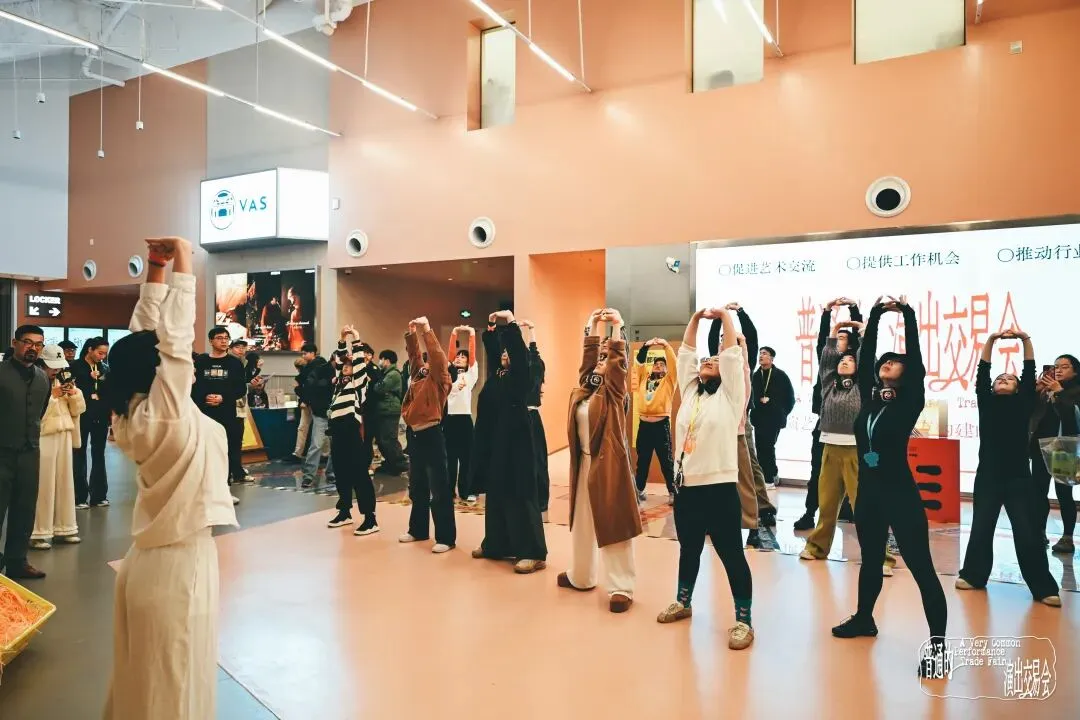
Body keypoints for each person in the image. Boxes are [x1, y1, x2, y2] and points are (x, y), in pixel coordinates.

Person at [101, 236, 238, 719]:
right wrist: (182, 257)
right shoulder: (168, 414)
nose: (191, 364)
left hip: (147, 564)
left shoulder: (134, 412)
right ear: (159, 371)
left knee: (147, 678)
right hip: (181, 569)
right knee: (176, 684)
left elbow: (144, 339)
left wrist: (155, 271)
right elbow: (173, 341)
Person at [831, 296, 948, 679]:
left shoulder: (910, 398)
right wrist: (876, 315)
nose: (886, 364)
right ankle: (864, 619)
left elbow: (916, 358)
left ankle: (939, 649)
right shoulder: (870, 396)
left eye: (894, 362)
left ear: (907, 372)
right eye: (885, 361)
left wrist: (907, 315)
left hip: (900, 494)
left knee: (921, 568)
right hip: (869, 494)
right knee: (869, 560)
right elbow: (867, 358)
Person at [656, 307, 754, 650]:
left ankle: (744, 621)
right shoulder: (690, 392)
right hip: (687, 488)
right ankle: (683, 602)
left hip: (719, 489)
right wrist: (696, 319)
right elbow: (686, 353)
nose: (707, 361)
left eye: (714, 359)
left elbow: (731, 356)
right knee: (689, 549)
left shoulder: (731, 395)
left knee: (731, 555)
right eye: (705, 360)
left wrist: (724, 316)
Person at [956, 329, 1061, 606]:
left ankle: (1043, 587)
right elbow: (983, 371)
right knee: (981, 527)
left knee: (1027, 532)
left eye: (1009, 379)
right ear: (992, 387)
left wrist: (1025, 339)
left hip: (1018, 478)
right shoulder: (986, 400)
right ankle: (973, 575)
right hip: (988, 476)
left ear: (1019, 387)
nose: (1003, 379)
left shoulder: (1024, 401)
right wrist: (991, 340)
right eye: (999, 379)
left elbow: (1029, 369)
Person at [558, 308, 642, 613]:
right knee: (582, 522)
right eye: (601, 358)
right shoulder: (587, 387)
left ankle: (621, 587)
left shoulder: (615, 391)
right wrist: (594, 324)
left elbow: (618, 363)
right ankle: (581, 575)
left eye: (608, 358)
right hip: (583, 463)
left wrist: (617, 327)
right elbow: (588, 362)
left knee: (613, 523)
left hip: (608, 466)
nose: (602, 361)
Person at [799, 310, 891, 570]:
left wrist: (861, 331)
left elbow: (867, 358)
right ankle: (817, 547)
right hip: (830, 447)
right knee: (827, 504)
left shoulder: (863, 385)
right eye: (842, 361)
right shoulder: (829, 383)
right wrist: (835, 328)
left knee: (864, 508)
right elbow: (827, 359)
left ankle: (880, 557)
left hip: (855, 450)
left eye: (850, 360)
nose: (844, 362)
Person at [471, 311, 548, 574]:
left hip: (517, 444)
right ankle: (496, 544)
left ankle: (533, 552)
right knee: (496, 493)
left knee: (520, 494)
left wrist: (512, 323)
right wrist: (492, 326)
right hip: (497, 442)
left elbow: (518, 352)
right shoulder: (499, 375)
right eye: (503, 353)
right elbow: (494, 350)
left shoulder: (521, 377)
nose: (504, 354)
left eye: (509, 352)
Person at [710, 303, 777, 548]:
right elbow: (714, 340)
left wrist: (738, 314)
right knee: (717, 477)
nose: (725, 342)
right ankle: (717, 520)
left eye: (733, 341)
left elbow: (751, 337)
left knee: (748, 472)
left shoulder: (742, 366)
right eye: (723, 340)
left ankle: (758, 516)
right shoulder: (716, 364)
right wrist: (718, 317)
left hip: (739, 426)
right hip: (717, 429)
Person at [795, 298, 861, 531]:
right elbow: (823, 340)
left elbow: (863, 342)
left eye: (844, 338)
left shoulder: (857, 365)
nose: (838, 340)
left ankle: (852, 510)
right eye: (837, 338)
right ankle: (810, 512)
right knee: (818, 472)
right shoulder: (828, 366)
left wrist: (854, 311)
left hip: (853, 429)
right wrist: (826, 312)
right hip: (825, 424)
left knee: (855, 476)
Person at [398, 316, 456, 553]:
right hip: (414, 436)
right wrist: (412, 334)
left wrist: (426, 330)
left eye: (429, 364)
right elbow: (414, 358)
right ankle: (418, 530)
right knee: (417, 486)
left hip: (432, 434)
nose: (425, 365)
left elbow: (437, 357)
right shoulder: (419, 377)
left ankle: (446, 538)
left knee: (439, 488)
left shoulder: (439, 380)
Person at [0, 324, 50, 580]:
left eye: (38, 344)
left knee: (24, 509)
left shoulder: (42, 377)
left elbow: (40, 413)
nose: (33, 348)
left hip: (30, 453)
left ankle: (17, 561)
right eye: (28, 342)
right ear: (15, 343)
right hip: (2, 452)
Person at [325, 326, 379, 535]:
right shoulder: (339, 383)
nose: (346, 367)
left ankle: (370, 518)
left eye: (350, 365)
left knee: (359, 474)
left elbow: (358, 362)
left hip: (352, 431)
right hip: (337, 431)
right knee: (341, 473)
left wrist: (355, 339)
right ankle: (344, 511)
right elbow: (339, 361)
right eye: (344, 365)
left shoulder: (359, 383)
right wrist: (341, 339)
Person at [30, 346, 85, 549]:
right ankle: (38, 531)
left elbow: (79, 409)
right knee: (43, 484)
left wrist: (74, 394)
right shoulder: (34, 381)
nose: (56, 370)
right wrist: (51, 397)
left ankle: (65, 528)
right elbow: (35, 413)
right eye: (52, 367)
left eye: (58, 367)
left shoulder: (62, 380)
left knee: (65, 482)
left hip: (64, 434)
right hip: (44, 436)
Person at [1030, 354, 1079, 554]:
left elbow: (1071, 418)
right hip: (1040, 446)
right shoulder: (1045, 390)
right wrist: (1035, 392)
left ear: (1075, 371)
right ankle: (1039, 532)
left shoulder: (1075, 391)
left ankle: (1067, 537)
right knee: (1038, 492)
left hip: (1063, 448)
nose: (1058, 370)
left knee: (1064, 493)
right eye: (1056, 366)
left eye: (1064, 367)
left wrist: (1060, 393)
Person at [192, 326, 246, 503]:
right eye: (219, 338)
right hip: (203, 413)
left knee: (225, 451)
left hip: (227, 414)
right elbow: (192, 385)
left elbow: (240, 388)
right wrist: (204, 398)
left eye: (226, 338)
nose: (223, 341)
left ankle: (224, 489)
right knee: (203, 451)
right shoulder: (201, 361)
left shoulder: (235, 363)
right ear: (211, 341)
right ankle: (201, 490)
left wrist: (223, 397)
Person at [633, 337, 677, 505]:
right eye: (656, 364)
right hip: (644, 426)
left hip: (661, 426)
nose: (658, 365)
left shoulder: (669, 381)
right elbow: (639, 363)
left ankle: (672, 492)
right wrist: (646, 346)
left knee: (666, 461)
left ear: (666, 369)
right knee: (642, 460)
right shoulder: (644, 378)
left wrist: (666, 346)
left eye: (662, 364)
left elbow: (673, 364)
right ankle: (639, 490)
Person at [71, 336, 111, 508]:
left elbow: (109, 390)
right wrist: (88, 379)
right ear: (90, 350)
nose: (102, 356)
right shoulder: (75, 367)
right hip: (81, 415)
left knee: (99, 453)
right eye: (100, 353)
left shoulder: (104, 368)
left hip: (100, 415)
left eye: (105, 353)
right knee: (79, 453)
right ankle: (79, 496)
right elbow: (71, 390)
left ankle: (99, 495)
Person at [749, 346, 795, 487]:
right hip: (759, 418)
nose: (761, 356)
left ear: (771, 358)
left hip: (773, 418)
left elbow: (790, 399)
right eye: (760, 353)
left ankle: (769, 478)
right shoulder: (754, 376)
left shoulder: (781, 375)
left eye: (764, 353)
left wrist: (781, 412)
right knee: (760, 447)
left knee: (768, 447)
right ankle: (766, 476)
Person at [444, 325, 478, 502]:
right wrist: (454, 333)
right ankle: (449, 490)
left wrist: (471, 334)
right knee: (450, 458)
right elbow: (450, 356)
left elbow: (472, 356)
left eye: (463, 357)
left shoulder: (470, 375)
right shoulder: (448, 374)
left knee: (466, 459)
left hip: (464, 420)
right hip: (450, 420)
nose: (459, 358)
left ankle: (465, 490)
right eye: (458, 356)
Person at [521, 320, 551, 513]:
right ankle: (527, 497)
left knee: (538, 460)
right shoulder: (518, 374)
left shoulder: (535, 369)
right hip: (518, 417)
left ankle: (541, 500)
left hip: (531, 418)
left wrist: (532, 330)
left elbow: (534, 355)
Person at [298, 344, 335, 490]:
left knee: (334, 446)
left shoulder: (346, 373)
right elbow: (309, 387)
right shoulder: (321, 369)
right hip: (321, 411)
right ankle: (309, 476)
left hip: (335, 413)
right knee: (317, 444)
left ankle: (331, 473)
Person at [366, 350, 409, 476]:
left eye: (381, 359)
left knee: (389, 439)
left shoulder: (393, 374)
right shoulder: (387, 373)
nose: (380, 362)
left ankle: (399, 464)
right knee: (382, 439)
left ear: (387, 360)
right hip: (385, 409)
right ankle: (390, 463)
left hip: (390, 410)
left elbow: (379, 388)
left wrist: (372, 382)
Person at [227, 338, 251, 483]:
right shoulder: (229, 362)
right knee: (232, 441)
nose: (241, 350)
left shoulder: (243, 363)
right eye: (237, 347)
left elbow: (242, 385)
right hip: (230, 407)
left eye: (243, 347)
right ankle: (233, 472)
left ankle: (236, 471)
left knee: (236, 441)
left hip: (240, 406)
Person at [287, 352, 312, 462]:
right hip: (315, 403)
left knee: (302, 428)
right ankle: (325, 453)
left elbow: (302, 391)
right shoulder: (312, 373)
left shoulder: (300, 377)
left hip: (306, 404)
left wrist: (297, 388)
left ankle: (298, 453)